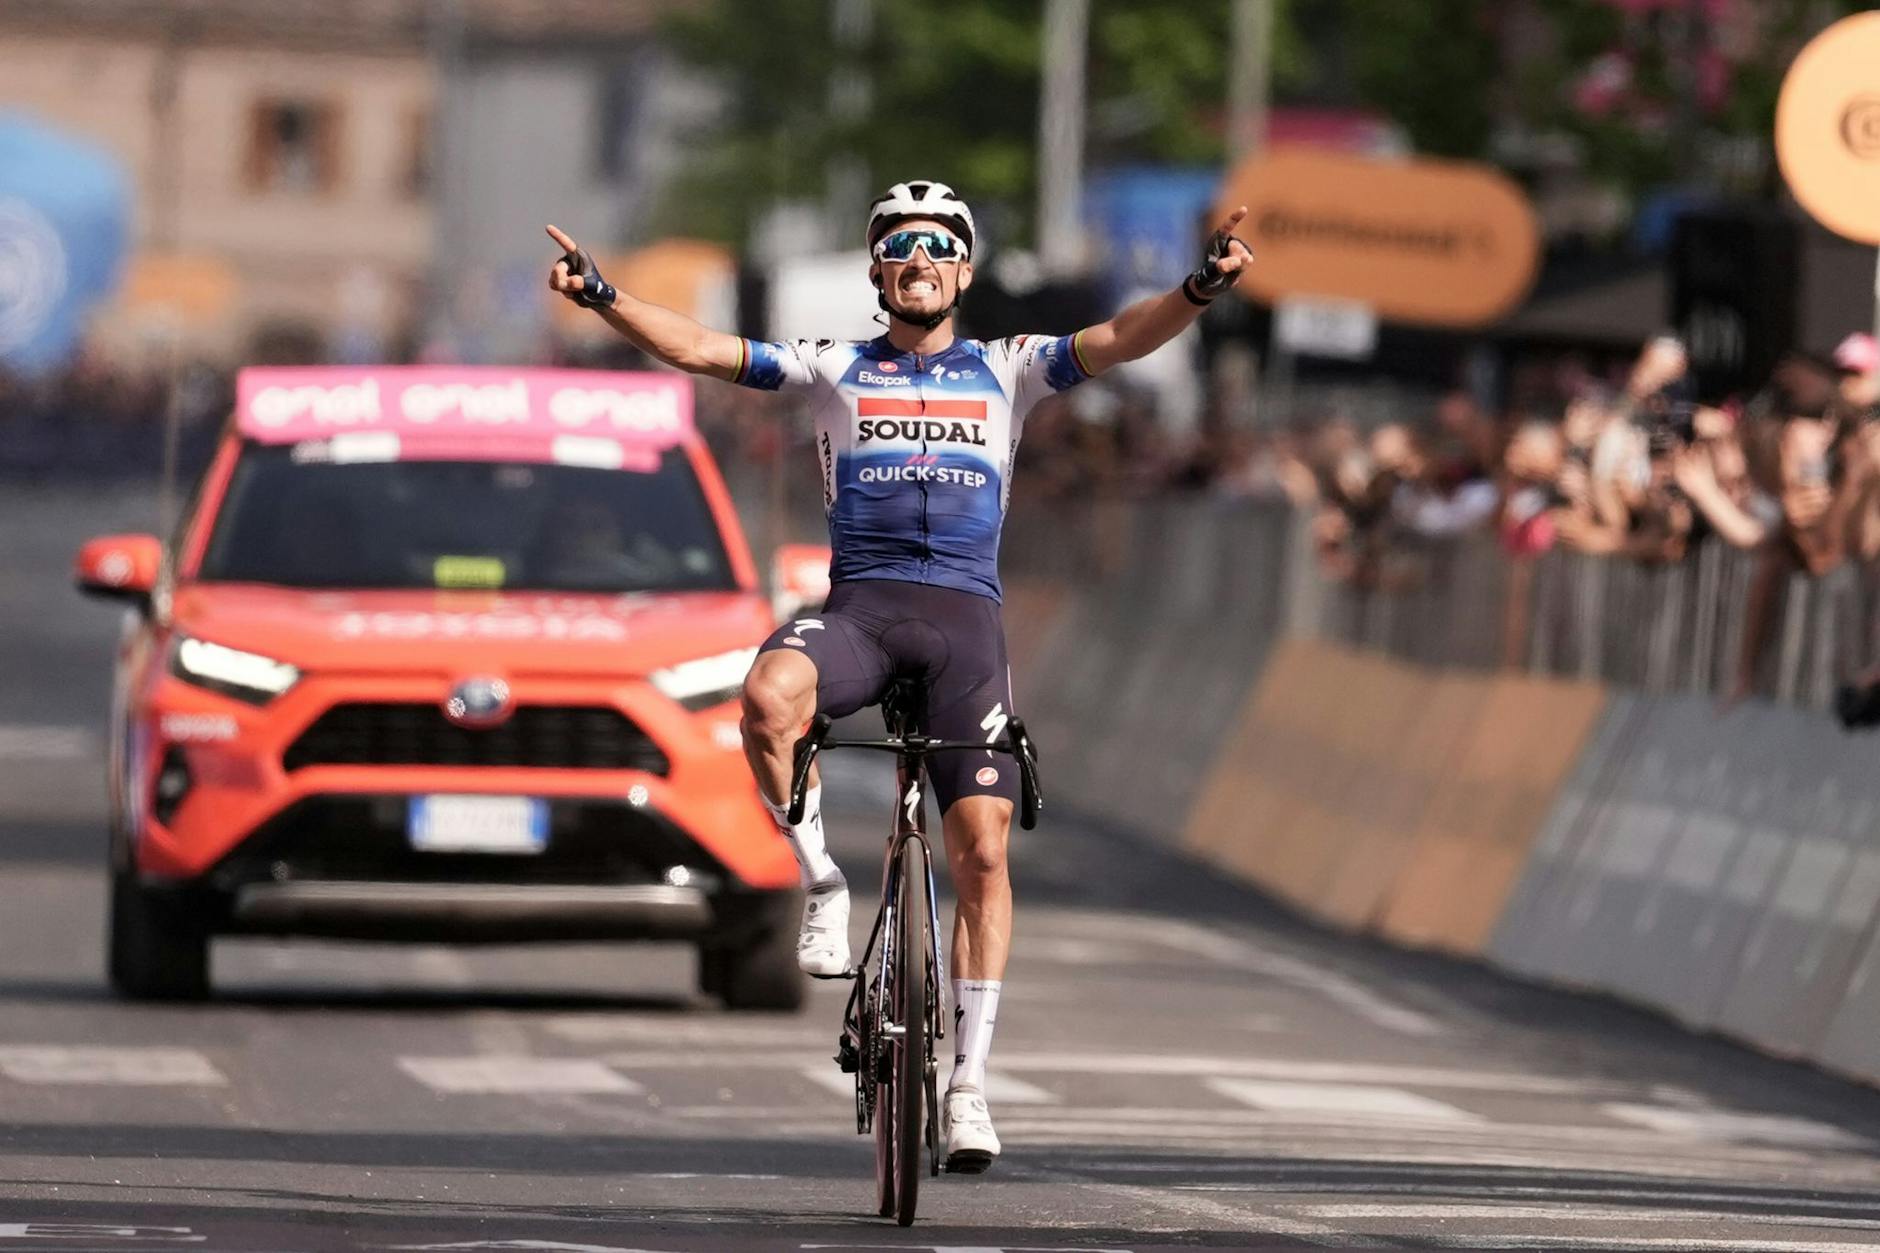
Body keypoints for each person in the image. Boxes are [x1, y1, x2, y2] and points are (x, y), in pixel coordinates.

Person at [545, 180, 1250, 1173]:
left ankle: (965, 1085)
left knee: (982, 852)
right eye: (898, 246)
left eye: (937, 246)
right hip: (862, 613)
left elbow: (1123, 336)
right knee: (765, 698)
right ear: (878, 270)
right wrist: (604, 298)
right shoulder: (832, 366)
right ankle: (824, 881)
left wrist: (1196, 288)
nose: (918, 259)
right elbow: (702, 348)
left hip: (965, 626)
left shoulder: (1010, 368)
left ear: (961, 269)